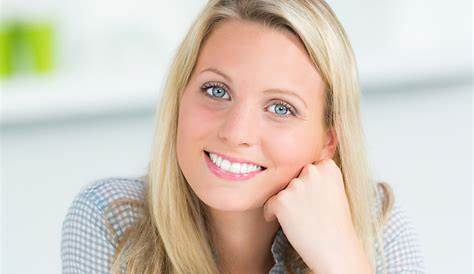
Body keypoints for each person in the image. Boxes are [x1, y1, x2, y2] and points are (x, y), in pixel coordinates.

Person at [61, 0, 426, 273]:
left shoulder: (376, 227)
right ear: (179, 99)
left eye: (281, 108)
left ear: (328, 141)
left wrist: (342, 262)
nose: (236, 133)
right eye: (217, 90)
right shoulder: (113, 219)